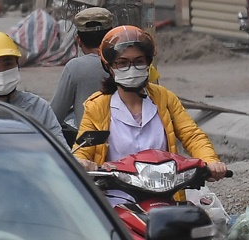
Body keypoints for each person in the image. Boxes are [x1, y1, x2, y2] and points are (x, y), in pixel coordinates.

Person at [70, 25, 229, 179]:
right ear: (110, 67)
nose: (131, 68)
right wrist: (82, 163)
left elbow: (192, 135)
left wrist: (210, 161)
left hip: (167, 189)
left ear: (148, 64)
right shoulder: (97, 106)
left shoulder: (164, 98)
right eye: (123, 63)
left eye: (139, 61)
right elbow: (82, 150)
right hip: (116, 194)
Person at [0, 30, 63, 141]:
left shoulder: (38, 108)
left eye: (8, 64)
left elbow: (62, 150)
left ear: (17, 65)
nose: (2, 72)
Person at [48, 6, 116, 140]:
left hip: (91, 147)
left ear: (78, 41)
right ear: (112, 35)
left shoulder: (75, 67)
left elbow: (54, 117)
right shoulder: (128, 62)